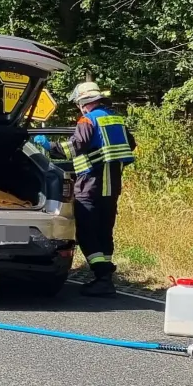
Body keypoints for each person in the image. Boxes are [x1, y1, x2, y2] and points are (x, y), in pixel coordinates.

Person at [68, 81, 135, 296]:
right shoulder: (117, 120)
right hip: (111, 186)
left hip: (90, 186)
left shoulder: (87, 120)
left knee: (87, 232)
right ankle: (105, 277)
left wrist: (49, 146)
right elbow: (130, 145)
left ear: (83, 102)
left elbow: (75, 146)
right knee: (104, 231)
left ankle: (102, 274)